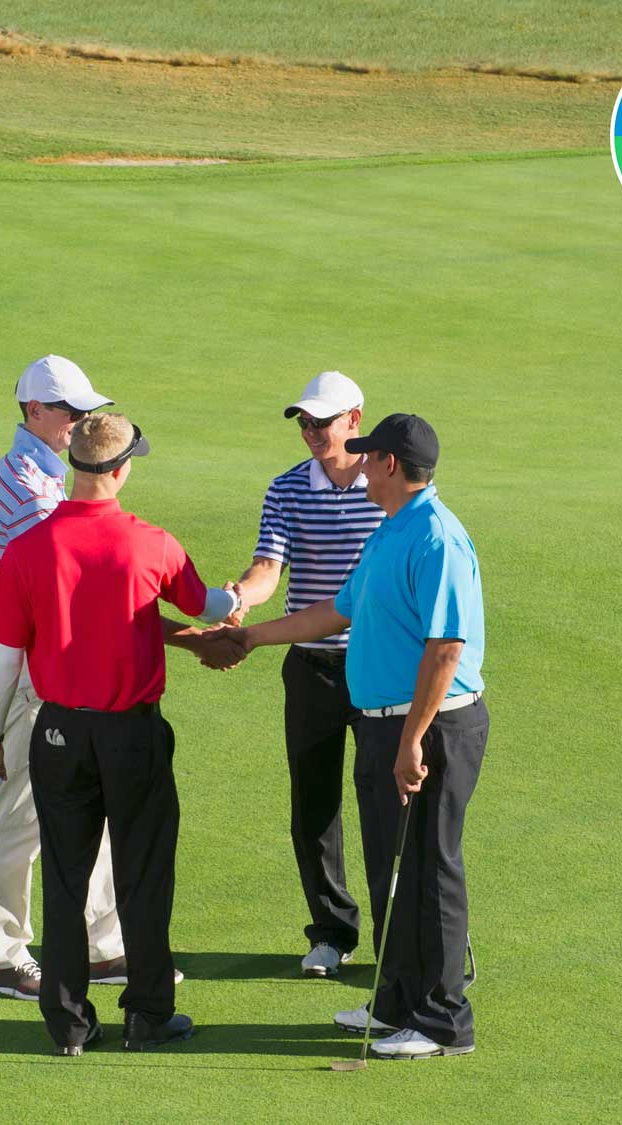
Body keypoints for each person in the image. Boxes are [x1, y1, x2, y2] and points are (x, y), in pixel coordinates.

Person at [195, 413, 487, 1060]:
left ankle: (443, 1021)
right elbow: (335, 610)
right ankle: (395, 1002)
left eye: (367, 454)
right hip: (389, 724)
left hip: (431, 725)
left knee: (429, 871)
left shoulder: (436, 536)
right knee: (393, 867)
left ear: (388, 464)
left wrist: (413, 739)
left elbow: (446, 649)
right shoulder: (391, 530)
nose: (357, 463)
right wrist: (250, 635)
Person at [0, 413, 236, 1055]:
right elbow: (202, 606)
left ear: (75, 467)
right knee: (143, 873)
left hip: (57, 733)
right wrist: (236, 603)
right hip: (131, 736)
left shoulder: (29, 548)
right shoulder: (152, 543)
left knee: (65, 875)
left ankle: (67, 1022)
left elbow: (8, 659)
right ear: (121, 471)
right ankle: (149, 1017)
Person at [0, 355, 132, 1002]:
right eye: (67, 410)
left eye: (83, 409)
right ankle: (3, 958)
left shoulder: (46, 478)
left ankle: (104, 946)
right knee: (19, 821)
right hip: (34, 677)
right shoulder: (24, 484)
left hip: (69, 674)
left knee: (91, 810)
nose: (79, 421)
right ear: (33, 411)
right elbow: (77, 572)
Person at [220, 371, 384, 978]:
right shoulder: (288, 488)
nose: (311, 432)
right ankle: (331, 933)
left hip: (378, 670)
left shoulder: (385, 484)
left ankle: (399, 935)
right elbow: (270, 567)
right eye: (304, 422)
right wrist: (242, 595)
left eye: (322, 421)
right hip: (311, 669)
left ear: (355, 420)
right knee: (312, 805)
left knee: (385, 802)